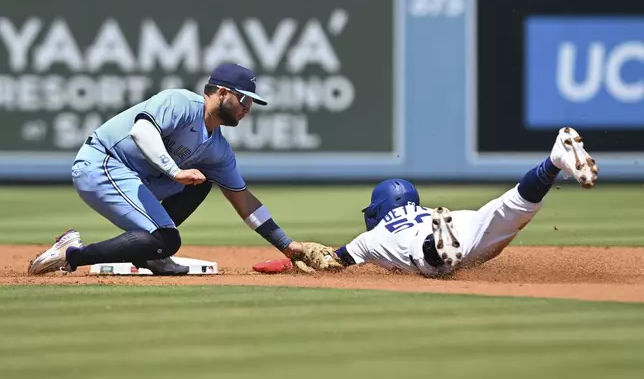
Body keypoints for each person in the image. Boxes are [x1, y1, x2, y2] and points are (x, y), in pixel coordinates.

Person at [28, 63, 311, 276]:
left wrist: (286, 245)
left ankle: (150, 254)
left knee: (201, 184)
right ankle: (71, 254)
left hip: (138, 178)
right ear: (223, 93)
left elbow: (244, 201)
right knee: (167, 239)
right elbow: (141, 131)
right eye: (245, 99)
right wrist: (175, 172)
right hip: (103, 163)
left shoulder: (218, 149)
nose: (248, 107)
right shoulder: (181, 102)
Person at [291, 127, 599, 277]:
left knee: (424, 259)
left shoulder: (371, 237)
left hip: (415, 240)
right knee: (512, 206)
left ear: (380, 208)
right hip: (461, 220)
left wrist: (292, 257)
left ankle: (436, 247)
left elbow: (332, 260)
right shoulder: (421, 210)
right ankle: (554, 161)